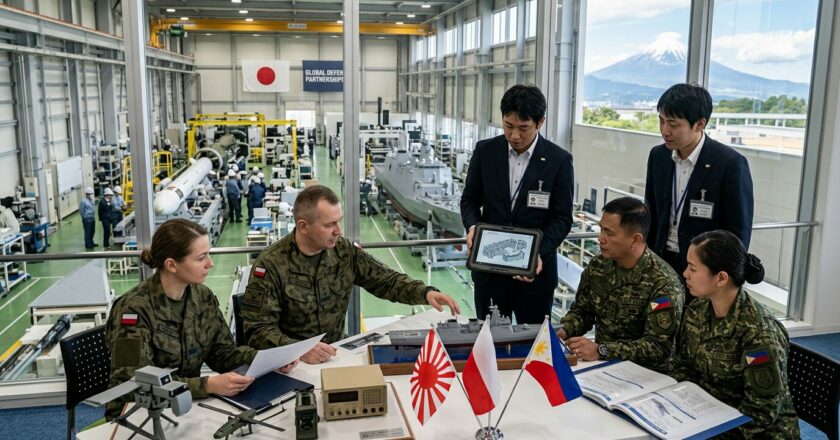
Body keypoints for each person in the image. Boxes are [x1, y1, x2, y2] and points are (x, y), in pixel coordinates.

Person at [241, 185, 461, 364]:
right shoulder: (270, 265)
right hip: (290, 366)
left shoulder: (344, 251)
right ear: (303, 226)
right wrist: (298, 351)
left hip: (336, 356)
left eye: (339, 221)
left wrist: (425, 292)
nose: (339, 230)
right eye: (330, 224)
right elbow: (257, 330)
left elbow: (385, 280)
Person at [104, 219, 270, 420]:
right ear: (172, 265)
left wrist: (265, 360)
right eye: (201, 258)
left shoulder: (202, 296)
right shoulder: (133, 310)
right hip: (138, 414)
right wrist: (207, 385)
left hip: (185, 406)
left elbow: (224, 354)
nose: (210, 263)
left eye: (208, 254)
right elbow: (133, 383)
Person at [460, 84, 574, 324]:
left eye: (524, 128)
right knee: (488, 346)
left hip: (535, 278)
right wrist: (472, 228)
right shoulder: (485, 151)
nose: (514, 136)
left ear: (540, 122)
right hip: (489, 274)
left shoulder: (559, 160)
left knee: (533, 348)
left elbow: (562, 218)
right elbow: (470, 201)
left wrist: (537, 254)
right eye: (508, 126)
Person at [672, 230, 799, 437]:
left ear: (721, 278)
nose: (685, 273)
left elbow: (761, 413)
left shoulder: (758, 333)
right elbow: (685, 367)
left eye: (693, 269)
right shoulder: (697, 309)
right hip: (708, 415)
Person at [645, 83, 754, 296]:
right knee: (661, 317)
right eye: (662, 121)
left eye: (673, 124)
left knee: (696, 325)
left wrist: (724, 276)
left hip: (705, 272)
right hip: (661, 266)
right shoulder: (658, 157)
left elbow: (738, 231)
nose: (665, 131)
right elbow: (651, 213)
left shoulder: (729, 164)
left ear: (699, 124)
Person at [560, 197, 684, 373]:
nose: (600, 238)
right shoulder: (599, 266)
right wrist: (564, 330)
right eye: (601, 229)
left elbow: (658, 347)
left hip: (644, 375)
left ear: (635, 239)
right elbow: (583, 311)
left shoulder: (663, 283)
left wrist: (601, 350)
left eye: (609, 233)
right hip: (601, 367)